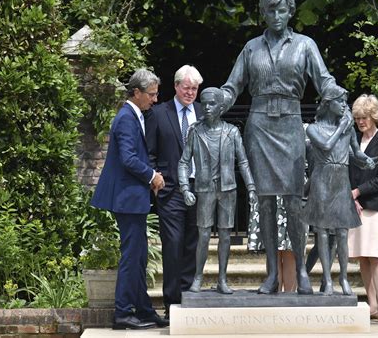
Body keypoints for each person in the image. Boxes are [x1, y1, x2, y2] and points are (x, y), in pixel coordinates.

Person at [221, 0, 346, 295]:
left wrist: (338, 97)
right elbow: (233, 86)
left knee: (292, 201)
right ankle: (271, 273)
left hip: (290, 124)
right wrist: (215, 104)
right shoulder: (251, 48)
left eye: (282, 10)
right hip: (260, 126)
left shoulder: (305, 45)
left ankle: (302, 270)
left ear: (291, 12)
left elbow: (323, 79)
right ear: (263, 13)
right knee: (264, 202)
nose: (276, 15)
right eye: (270, 10)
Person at [91, 68, 169, 329]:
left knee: (139, 256)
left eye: (156, 94)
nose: (155, 100)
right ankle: (123, 313)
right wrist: (153, 177)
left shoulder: (134, 115)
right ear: (136, 92)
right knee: (131, 256)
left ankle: (144, 310)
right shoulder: (126, 118)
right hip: (127, 198)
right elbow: (129, 159)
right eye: (151, 94)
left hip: (132, 198)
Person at [178, 87, 258, 294]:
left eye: (212, 103)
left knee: (225, 235)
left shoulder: (231, 132)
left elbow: (243, 161)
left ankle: (222, 278)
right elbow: (183, 162)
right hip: (205, 189)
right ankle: (198, 276)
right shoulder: (195, 132)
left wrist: (250, 187)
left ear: (221, 107)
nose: (206, 107)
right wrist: (185, 187)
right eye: (204, 103)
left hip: (227, 189)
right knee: (203, 235)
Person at [303, 89, 376, 296]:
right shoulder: (314, 129)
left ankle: (343, 277)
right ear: (328, 104)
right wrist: (342, 127)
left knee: (342, 232)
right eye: (340, 102)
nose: (345, 106)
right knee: (323, 232)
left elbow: (355, 152)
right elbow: (326, 146)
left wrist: (366, 160)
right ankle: (327, 280)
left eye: (346, 102)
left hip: (341, 180)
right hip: (322, 180)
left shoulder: (348, 131)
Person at [145, 65, 203, 318]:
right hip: (170, 190)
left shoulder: (203, 113)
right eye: (187, 87)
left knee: (193, 244)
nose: (191, 92)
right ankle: (171, 304)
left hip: (199, 189)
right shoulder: (159, 113)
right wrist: (155, 180)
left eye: (195, 88)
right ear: (176, 86)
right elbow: (149, 152)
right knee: (173, 245)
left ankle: (188, 296)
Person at [348, 94, 378, 323]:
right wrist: (352, 197)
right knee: (362, 258)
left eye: (364, 117)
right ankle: (372, 305)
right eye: (357, 117)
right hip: (355, 207)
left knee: (375, 256)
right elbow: (347, 173)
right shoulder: (353, 141)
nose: (360, 121)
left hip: (375, 207)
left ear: (374, 116)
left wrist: (358, 192)